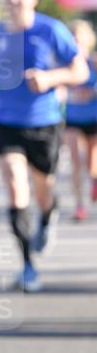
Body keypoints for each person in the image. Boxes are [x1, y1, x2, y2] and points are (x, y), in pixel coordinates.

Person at [0, 0, 88, 291]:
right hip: (6, 120)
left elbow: (79, 70)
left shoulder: (50, 30)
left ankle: (48, 214)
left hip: (44, 123)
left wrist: (50, 79)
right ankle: (27, 264)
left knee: (43, 190)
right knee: (14, 182)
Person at [64, 19, 97, 221]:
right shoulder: (63, 63)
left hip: (94, 117)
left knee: (91, 162)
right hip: (72, 118)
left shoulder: (94, 62)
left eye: (80, 35)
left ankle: (94, 181)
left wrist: (91, 92)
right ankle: (79, 205)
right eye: (73, 35)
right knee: (75, 161)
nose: (76, 39)